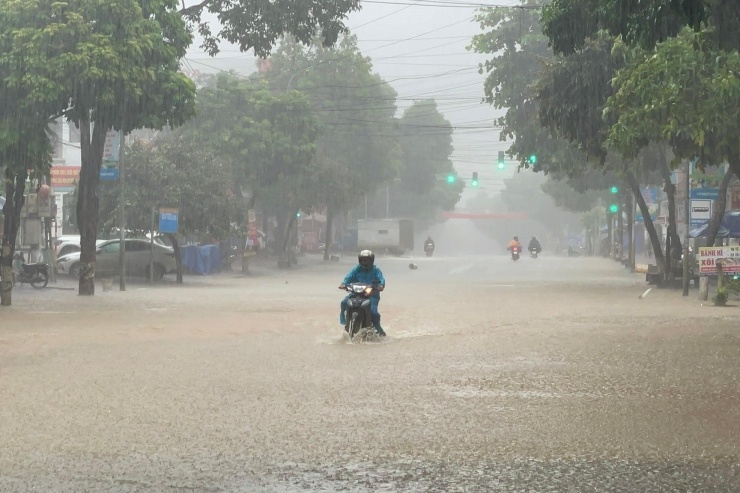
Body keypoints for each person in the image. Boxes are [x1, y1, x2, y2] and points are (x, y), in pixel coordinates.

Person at [339, 250, 386, 336]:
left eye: (367, 260)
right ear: (360, 260)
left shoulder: (376, 270)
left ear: (371, 261)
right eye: (363, 260)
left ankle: (378, 328)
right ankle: (345, 321)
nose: (365, 262)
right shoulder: (356, 269)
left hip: (371, 295)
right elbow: (349, 276)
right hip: (356, 293)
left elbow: (381, 279)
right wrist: (343, 284)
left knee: (374, 313)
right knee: (344, 302)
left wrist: (381, 285)